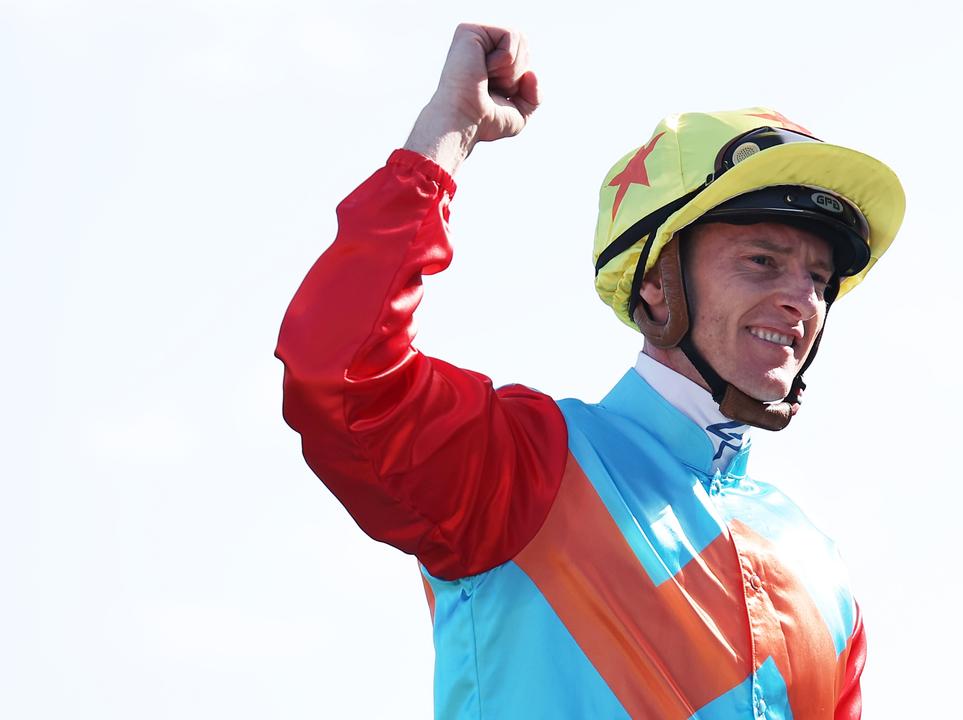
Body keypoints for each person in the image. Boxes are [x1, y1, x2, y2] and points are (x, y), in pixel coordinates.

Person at [276, 22, 905, 720]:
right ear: (657, 287)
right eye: (762, 260)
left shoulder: (822, 571)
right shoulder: (522, 466)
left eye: (820, 278)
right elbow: (340, 371)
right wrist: (448, 128)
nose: (802, 299)